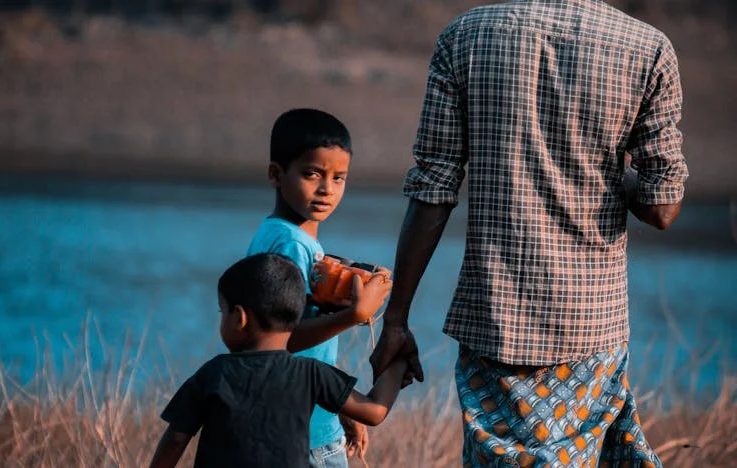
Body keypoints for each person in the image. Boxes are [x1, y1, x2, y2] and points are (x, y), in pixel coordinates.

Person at [369, 1, 689, 466]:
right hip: (589, 324)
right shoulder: (648, 49)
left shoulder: (464, 37)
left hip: (493, 319)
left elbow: (433, 188)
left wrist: (396, 319)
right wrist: (606, 172)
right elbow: (661, 207)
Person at [149, 253, 407, 468]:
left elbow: (176, 439)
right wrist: (398, 361)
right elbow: (374, 411)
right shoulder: (310, 373)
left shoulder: (213, 373)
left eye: (222, 311)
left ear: (239, 318)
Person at [247, 108, 393, 466]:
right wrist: (354, 315)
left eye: (339, 177)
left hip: (302, 422)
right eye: (312, 174)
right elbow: (278, 340)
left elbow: (307, 349)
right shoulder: (291, 245)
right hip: (304, 438)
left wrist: (338, 407)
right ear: (276, 174)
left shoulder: (282, 235)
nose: (327, 189)